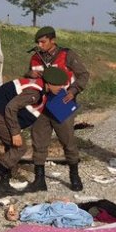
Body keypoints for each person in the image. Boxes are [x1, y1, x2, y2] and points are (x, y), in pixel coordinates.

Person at [0, 67, 68, 197]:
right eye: (58, 85)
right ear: (49, 83)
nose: (61, 87)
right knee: (20, 147)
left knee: (12, 147)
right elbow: (11, 107)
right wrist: (15, 133)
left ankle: (4, 182)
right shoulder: (35, 93)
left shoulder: (40, 88)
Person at [25, 26, 90, 192]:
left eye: (43, 41)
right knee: (39, 141)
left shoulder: (67, 55)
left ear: (53, 40)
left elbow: (83, 74)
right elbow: (29, 78)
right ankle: (40, 180)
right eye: (38, 42)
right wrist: (29, 75)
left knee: (68, 141)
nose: (39, 45)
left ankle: (74, 176)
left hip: (62, 103)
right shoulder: (35, 58)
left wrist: (73, 90)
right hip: (41, 105)